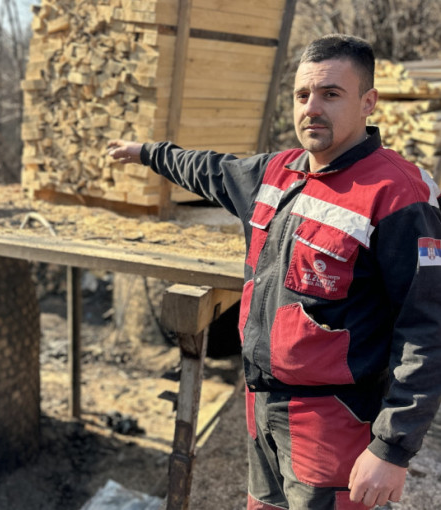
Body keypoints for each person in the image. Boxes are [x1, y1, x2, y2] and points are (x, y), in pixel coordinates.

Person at [108, 34, 441, 509]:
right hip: (262, 404)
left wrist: (392, 447)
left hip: (335, 419)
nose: (312, 108)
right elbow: (205, 168)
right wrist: (147, 152)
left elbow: (428, 330)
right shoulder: (275, 173)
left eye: (331, 94)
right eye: (302, 95)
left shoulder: (397, 194)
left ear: (369, 102)